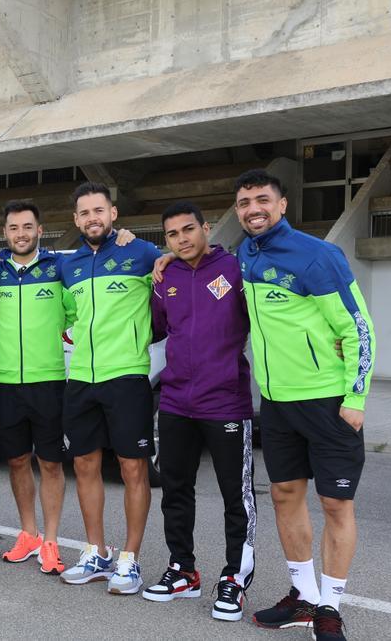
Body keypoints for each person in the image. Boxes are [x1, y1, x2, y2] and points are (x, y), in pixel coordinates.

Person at [233, 170, 374, 641]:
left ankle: (330, 606)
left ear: (282, 204)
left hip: (328, 402)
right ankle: (303, 596)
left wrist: (355, 397)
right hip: (276, 404)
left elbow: (359, 328)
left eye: (262, 200)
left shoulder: (317, 255)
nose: (253, 208)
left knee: (336, 503)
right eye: (244, 202)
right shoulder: (244, 254)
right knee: (284, 496)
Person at [140, 201, 256, 621]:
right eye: (172, 235)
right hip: (174, 401)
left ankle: (235, 579)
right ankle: (183, 570)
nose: (182, 239)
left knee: (235, 496)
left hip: (225, 399)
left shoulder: (235, 270)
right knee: (175, 490)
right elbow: (158, 328)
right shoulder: (164, 275)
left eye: (188, 230)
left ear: (206, 228)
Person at [58, 182, 162, 595]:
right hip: (81, 377)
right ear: (76, 220)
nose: (92, 219)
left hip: (127, 376)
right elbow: (66, 313)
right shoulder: (70, 265)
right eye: (84, 213)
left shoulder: (141, 253)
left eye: (98, 211)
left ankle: (129, 561)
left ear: (113, 213)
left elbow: (183, 259)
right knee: (83, 465)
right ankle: (96, 552)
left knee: (132, 467)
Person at [0, 200, 71, 576]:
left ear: (40, 230)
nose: (20, 234)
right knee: (17, 460)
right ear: (5, 234)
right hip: (6, 383)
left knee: (51, 463)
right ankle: (29, 533)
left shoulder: (59, 271)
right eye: (13, 228)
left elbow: (72, 312)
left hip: (48, 381)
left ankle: (51, 541)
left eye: (27, 227)